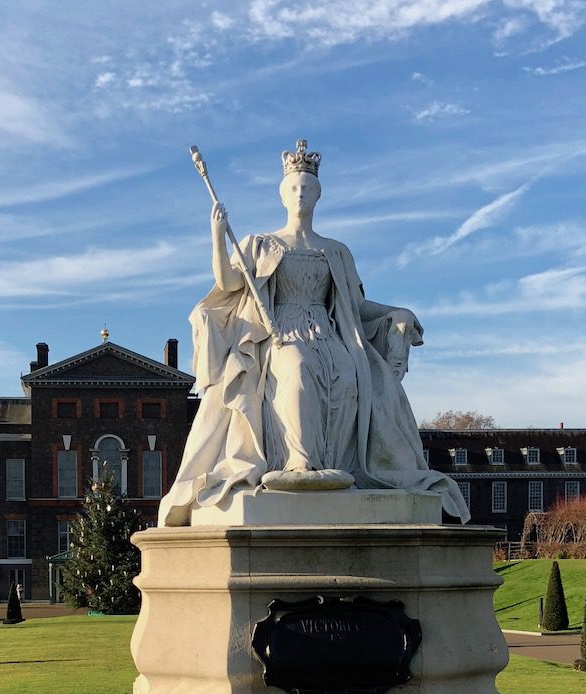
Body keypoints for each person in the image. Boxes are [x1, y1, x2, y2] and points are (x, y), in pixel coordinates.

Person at [159, 140, 470, 526]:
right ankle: (299, 463)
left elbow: (356, 308)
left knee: (348, 375)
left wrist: (397, 313)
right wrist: (217, 236)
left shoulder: (335, 251)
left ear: (317, 195)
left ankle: (337, 465)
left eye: (307, 188)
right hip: (279, 335)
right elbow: (226, 282)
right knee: (297, 369)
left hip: (328, 333)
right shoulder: (261, 243)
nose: (300, 193)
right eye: (293, 188)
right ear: (283, 195)